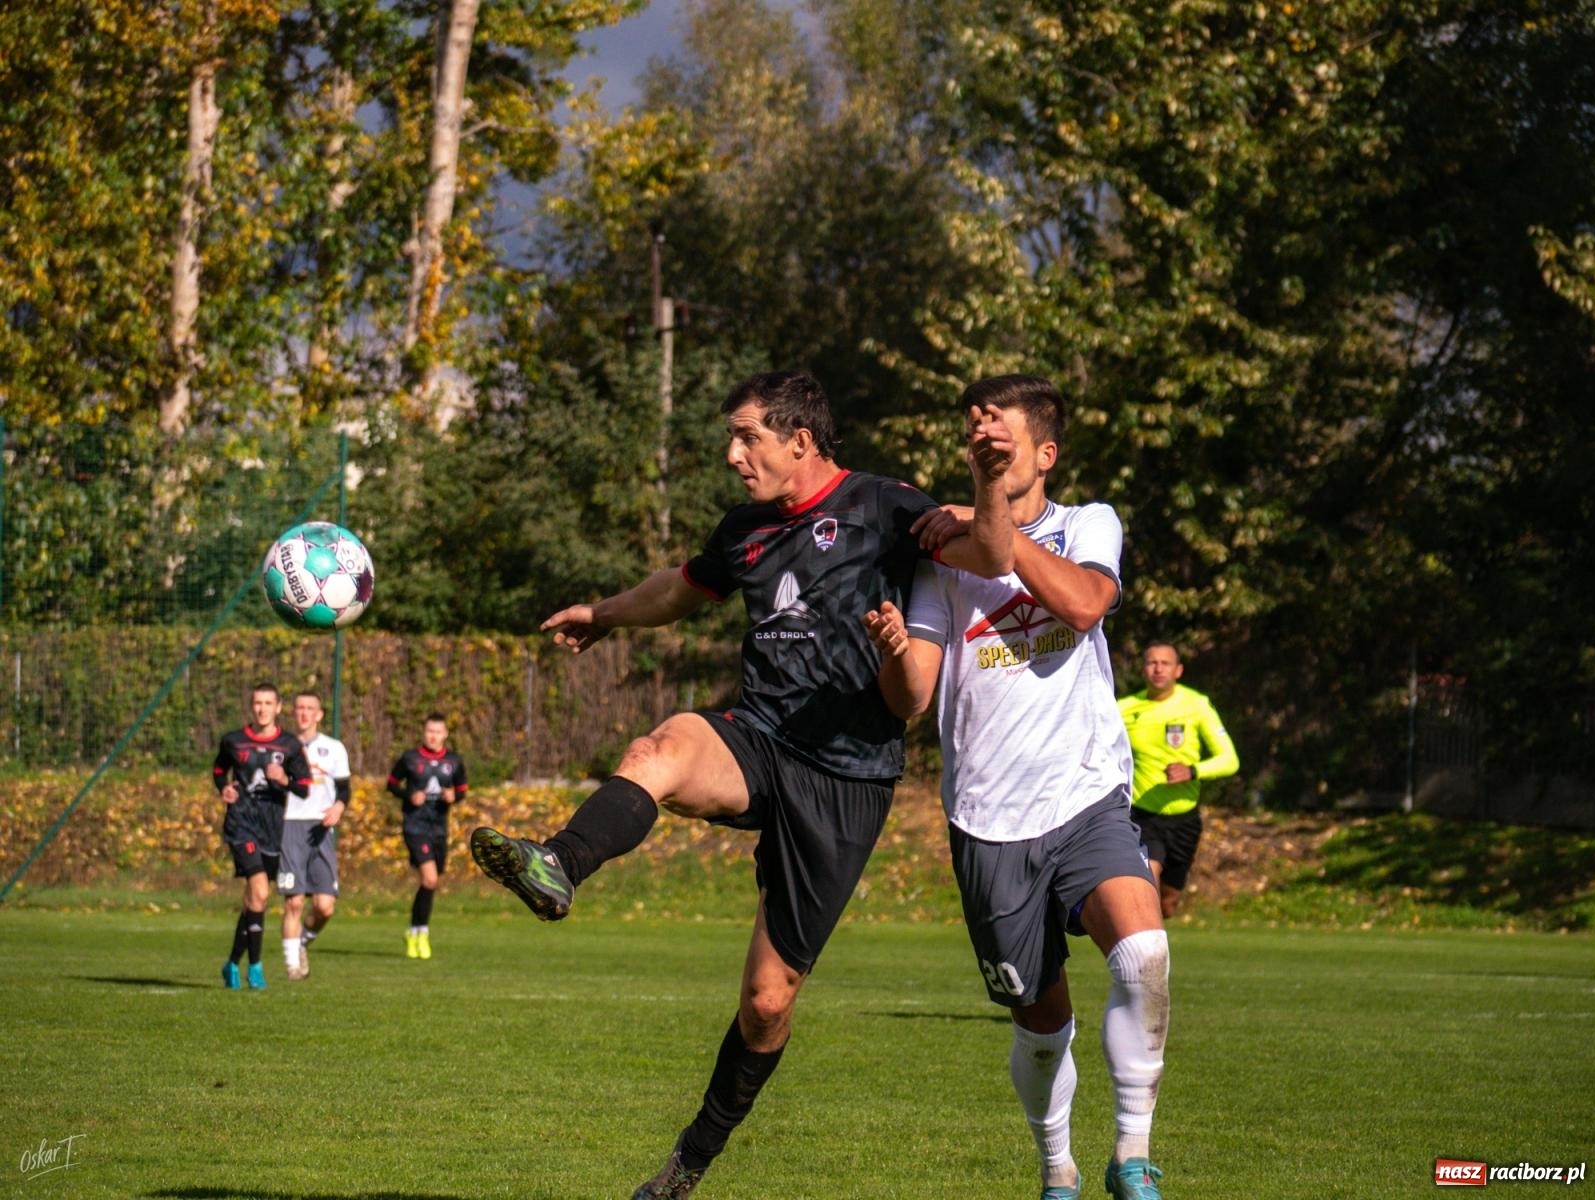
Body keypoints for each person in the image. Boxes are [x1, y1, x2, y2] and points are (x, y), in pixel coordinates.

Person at [470, 368, 1013, 1199]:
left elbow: (994, 555)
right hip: (757, 737)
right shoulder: (746, 529)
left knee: (766, 1002)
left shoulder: (886, 507)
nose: (732, 453)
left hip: (847, 776)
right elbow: (679, 590)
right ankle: (560, 863)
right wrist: (603, 612)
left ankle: (690, 1160)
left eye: (746, 436)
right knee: (659, 747)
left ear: (801, 440)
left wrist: (983, 492)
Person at [867, 374, 1170, 1200]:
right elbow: (913, 698)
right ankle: (1056, 1167)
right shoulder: (942, 558)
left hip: (1086, 794)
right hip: (988, 819)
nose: (984, 435)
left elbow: (1084, 605)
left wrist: (989, 520)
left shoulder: (1087, 523)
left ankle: (1132, 1156)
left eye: (1000, 430)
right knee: (1041, 1022)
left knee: (1143, 955)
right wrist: (894, 651)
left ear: (1045, 454)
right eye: (976, 428)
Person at [1118, 642, 1239, 919]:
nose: (1158, 669)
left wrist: (1192, 771)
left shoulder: (1196, 705)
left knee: (1168, 904)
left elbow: (1230, 760)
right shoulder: (1123, 709)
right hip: (1143, 815)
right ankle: (1146, 943)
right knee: (1147, 885)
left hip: (1184, 820)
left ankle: (1155, 925)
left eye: (1165, 663)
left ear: (1178, 670)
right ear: (1143, 669)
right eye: (1152, 662)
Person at [212, 682, 312, 991]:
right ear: (251, 706)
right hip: (241, 824)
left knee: (254, 901)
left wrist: (284, 779)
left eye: (268, 703)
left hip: (272, 828)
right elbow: (219, 770)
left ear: (278, 707)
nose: (262, 708)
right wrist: (224, 789)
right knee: (260, 892)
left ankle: (232, 963)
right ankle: (255, 968)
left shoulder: (289, 745)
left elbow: (304, 788)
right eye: (258, 703)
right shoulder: (234, 741)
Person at [279, 690, 351, 981]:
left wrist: (339, 807)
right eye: (299, 708)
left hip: (321, 828)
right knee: (294, 901)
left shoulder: (334, 748)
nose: (304, 713)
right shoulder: (281, 746)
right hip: (289, 825)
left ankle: (302, 942)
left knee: (324, 906)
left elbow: (344, 789)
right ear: (292, 712)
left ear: (319, 714)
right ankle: (292, 968)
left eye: (310, 708)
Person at [387, 713, 468, 959]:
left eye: (438, 732)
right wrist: (409, 796)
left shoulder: (454, 761)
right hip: (415, 825)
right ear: (424, 733)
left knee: (430, 882)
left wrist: (454, 797)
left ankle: (414, 931)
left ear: (445, 734)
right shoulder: (410, 758)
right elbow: (391, 784)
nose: (433, 736)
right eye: (429, 731)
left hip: (439, 828)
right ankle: (421, 934)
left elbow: (462, 790)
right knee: (430, 878)